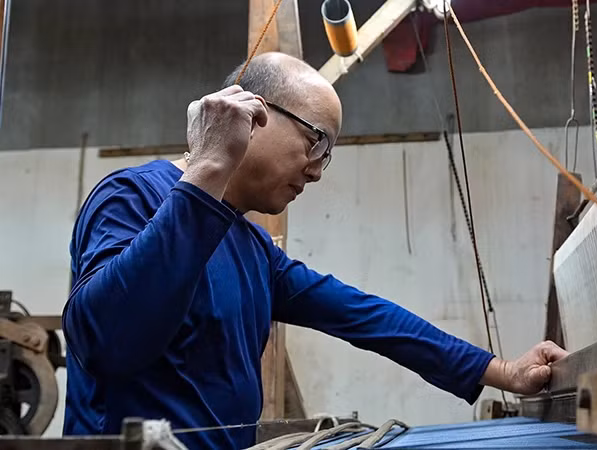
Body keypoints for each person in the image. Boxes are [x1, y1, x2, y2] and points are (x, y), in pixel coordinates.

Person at [62, 52, 568, 449]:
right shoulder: (131, 197)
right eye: (316, 143)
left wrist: (501, 371)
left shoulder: (253, 249)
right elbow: (107, 341)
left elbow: (365, 316)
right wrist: (208, 168)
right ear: (253, 114)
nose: (317, 170)